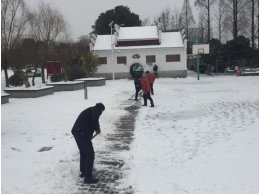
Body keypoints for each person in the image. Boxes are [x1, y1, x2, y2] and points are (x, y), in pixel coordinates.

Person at [71, 103, 105, 184]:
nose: (101, 113)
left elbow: (89, 121)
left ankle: (83, 172)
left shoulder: (90, 110)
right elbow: (94, 120)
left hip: (76, 132)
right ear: (101, 109)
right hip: (82, 133)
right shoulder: (95, 111)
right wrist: (97, 129)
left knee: (83, 152)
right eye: (102, 111)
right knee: (90, 154)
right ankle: (88, 177)